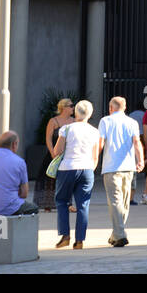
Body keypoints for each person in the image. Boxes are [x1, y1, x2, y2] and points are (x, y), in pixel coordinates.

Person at [50, 100, 101, 249]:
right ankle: (79, 241)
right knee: (83, 205)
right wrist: (90, 168)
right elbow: (96, 156)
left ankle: (65, 235)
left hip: (67, 168)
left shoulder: (66, 129)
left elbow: (57, 151)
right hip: (87, 168)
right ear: (90, 114)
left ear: (76, 112)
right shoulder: (94, 131)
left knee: (62, 201)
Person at [98, 96, 144, 247]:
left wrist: (94, 159)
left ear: (111, 108)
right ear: (125, 108)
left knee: (115, 201)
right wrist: (141, 160)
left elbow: (101, 142)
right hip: (128, 166)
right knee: (124, 202)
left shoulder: (105, 121)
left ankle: (119, 234)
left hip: (111, 167)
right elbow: (137, 142)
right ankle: (117, 234)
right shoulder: (132, 122)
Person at [0, 131, 40, 217]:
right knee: (33, 208)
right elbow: (24, 193)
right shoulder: (19, 162)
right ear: (14, 144)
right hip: (8, 208)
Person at [42, 98, 76, 212]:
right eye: (71, 106)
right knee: (50, 180)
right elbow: (48, 138)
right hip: (54, 154)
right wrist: (53, 153)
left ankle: (68, 203)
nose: (73, 108)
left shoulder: (74, 121)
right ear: (64, 107)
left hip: (68, 154)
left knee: (68, 180)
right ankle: (48, 204)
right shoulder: (53, 121)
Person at [128, 103, 146, 204]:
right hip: (139, 137)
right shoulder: (143, 115)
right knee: (132, 176)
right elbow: (142, 134)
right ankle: (131, 199)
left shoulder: (130, 115)